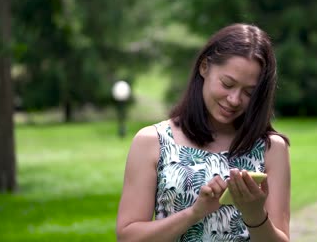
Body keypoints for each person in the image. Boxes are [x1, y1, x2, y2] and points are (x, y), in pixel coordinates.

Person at [116, 23, 291, 242]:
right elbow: (127, 238)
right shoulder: (153, 141)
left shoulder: (270, 148)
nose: (235, 100)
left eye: (249, 92)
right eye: (227, 84)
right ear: (204, 67)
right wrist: (194, 213)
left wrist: (254, 214)